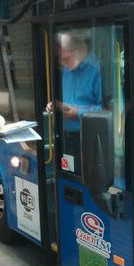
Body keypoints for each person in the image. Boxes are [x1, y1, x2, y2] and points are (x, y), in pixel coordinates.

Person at [46, 31, 102, 174]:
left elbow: (109, 109)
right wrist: (54, 105)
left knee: (86, 179)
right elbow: (64, 99)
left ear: (80, 50)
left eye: (66, 56)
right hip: (64, 137)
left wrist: (78, 113)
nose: (63, 61)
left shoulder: (96, 71)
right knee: (69, 176)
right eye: (61, 55)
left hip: (87, 138)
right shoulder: (65, 70)